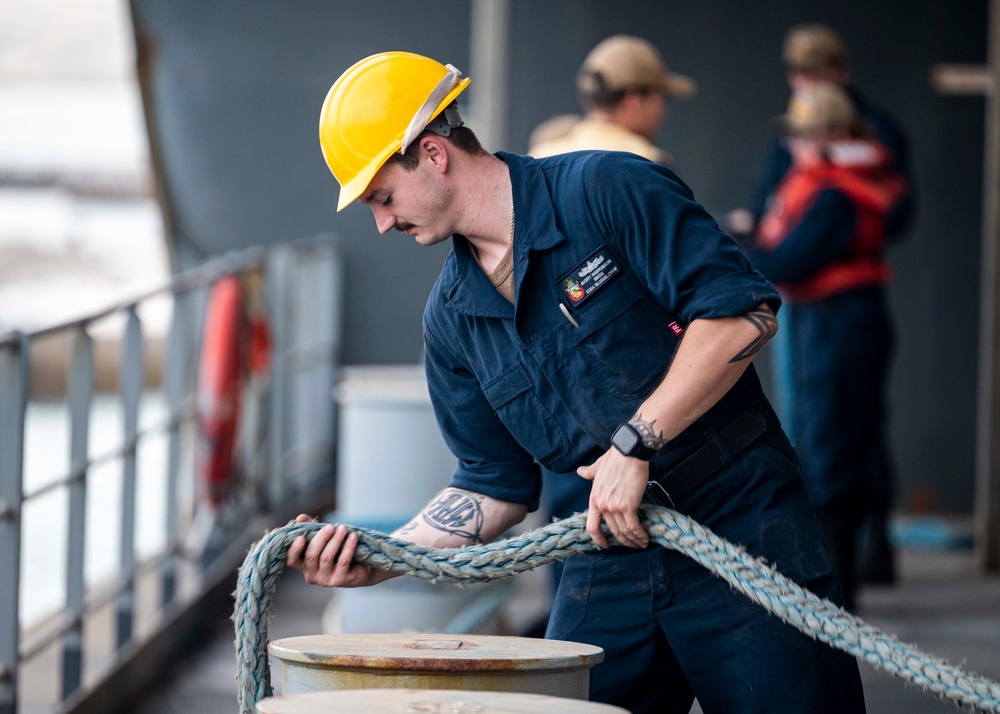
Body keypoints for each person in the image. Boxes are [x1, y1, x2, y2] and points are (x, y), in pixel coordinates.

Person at [288, 50, 866, 713]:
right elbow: (491, 484)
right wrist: (386, 558)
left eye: (383, 196)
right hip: (606, 552)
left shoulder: (607, 190)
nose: (383, 222)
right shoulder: (452, 323)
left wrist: (636, 442)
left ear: (433, 153)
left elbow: (741, 314)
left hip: (742, 522)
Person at [728, 22, 914, 586]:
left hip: (839, 320)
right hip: (833, 317)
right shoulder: (839, 174)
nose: (794, 147)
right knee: (836, 434)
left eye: (803, 139)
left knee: (833, 442)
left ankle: (837, 585)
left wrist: (741, 242)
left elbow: (788, 260)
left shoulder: (833, 191)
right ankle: (844, 568)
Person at [528, 34, 696, 166]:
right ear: (634, 101)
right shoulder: (650, 165)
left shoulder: (540, 156)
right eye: (662, 98)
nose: (664, 112)